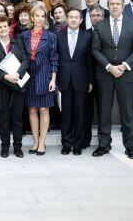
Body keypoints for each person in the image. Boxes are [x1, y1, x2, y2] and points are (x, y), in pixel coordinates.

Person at [91, 0, 133, 159]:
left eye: (117, 3)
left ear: (123, 6)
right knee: (104, 112)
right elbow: (95, 50)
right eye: (111, 3)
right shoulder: (100, 25)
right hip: (105, 74)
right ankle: (103, 144)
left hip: (126, 74)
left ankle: (129, 146)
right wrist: (109, 67)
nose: (114, 6)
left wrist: (124, 65)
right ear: (108, 5)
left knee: (127, 113)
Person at [0, 16, 29, 158]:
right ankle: (5, 146)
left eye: (5, 26)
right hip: (1, 85)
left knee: (17, 118)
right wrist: (5, 76)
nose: (3, 29)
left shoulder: (17, 42)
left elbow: (25, 59)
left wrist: (17, 74)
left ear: (9, 27)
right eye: (0, 27)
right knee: (3, 118)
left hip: (18, 84)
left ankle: (17, 147)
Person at [56, 8, 94, 156]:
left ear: (81, 20)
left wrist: (90, 81)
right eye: (70, 17)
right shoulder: (58, 35)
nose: (73, 20)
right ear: (67, 18)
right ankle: (66, 143)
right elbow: (55, 58)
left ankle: (78, 144)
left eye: (76, 17)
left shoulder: (88, 36)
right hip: (63, 80)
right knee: (65, 114)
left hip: (81, 80)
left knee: (80, 113)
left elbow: (90, 61)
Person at [21, 5, 58, 155]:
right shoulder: (24, 36)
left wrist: (53, 79)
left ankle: (43, 142)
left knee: (44, 109)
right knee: (32, 109)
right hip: (29, 76)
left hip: (45, 75)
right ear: (32, 17)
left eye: (43, 16)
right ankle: (35, 141)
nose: (40, 19)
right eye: (37, 16)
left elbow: (54, 57)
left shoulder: (51, 36)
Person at [80, 5, 104, 150]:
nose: (96, 18)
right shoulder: (85, 34)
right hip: (87, 78)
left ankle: (103, 140)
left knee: (103, 110)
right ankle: (85, 138)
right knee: (86, 111)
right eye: (93, 15)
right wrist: (88, 80)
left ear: (103, 17)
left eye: (98, 15)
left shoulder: (108, 33)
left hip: (104, 77)